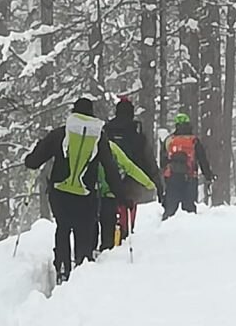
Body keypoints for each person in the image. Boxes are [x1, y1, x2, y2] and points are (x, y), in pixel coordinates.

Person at [23, 97, 125, 284]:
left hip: (59, 193)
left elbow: (33, 161)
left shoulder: (61, 134)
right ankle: (81, 267)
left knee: (63, 227)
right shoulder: (98, 137)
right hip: (86, 195)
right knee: (83, 230)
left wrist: (32, 155)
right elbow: (110, 168)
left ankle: (62, 268)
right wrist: (121, 195)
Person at [103, 96, 161, 240]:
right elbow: (148, 157)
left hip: (108, 174)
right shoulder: (136, 131)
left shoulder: (107, 129)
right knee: (129, 203)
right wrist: (155, 179)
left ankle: (109, 234)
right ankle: (126, 230)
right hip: (132, 177)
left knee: (109, 204)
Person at [96, 141, 156, 252]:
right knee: (108, 225)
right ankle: (105, 252)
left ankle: (87, 256)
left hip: (89, 193)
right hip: (110, 192)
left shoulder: (84, 142)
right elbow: (129, 167)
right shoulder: (111, 147)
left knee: (89, 226)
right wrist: (148, 183)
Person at [160, 113, 214, 220]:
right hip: (190, 177)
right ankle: (189, 232)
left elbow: (163, 161)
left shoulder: (169, 140)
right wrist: (208, 175)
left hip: (172, 178)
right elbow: (203, 160)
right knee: (189, 209)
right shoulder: (194, 140)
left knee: (170, 208)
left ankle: (164, 230)